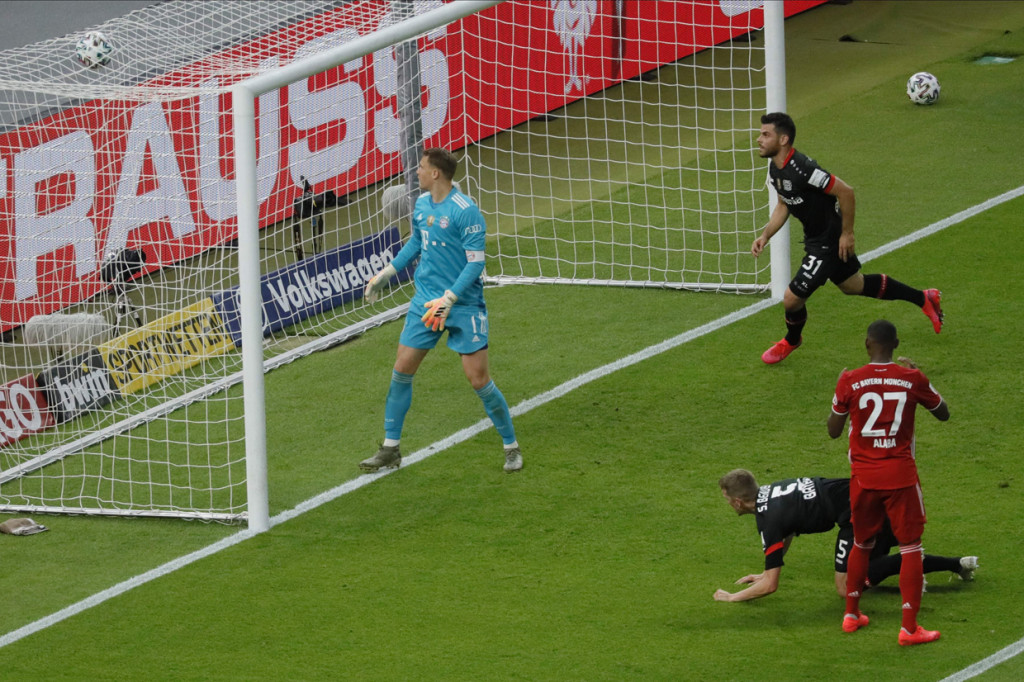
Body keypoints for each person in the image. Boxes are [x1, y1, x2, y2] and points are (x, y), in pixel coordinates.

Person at [359, 148, 522, 473]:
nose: (416, 172)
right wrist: (386, 274)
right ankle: (390, 449)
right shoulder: (420, 205)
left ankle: (511, 446)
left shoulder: (466, 211)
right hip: (425, 302)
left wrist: (450, 299)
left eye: (420, 168)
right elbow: (416, 243)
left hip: (462, 304)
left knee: (478, 380)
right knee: (402, 369)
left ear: (436, 173)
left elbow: (476, 264)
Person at [751, 112, 944, 364]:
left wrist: (847, 233)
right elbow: (784, 204)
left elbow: (845, 191)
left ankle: (792, 339)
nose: (759, 139)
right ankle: (924, 298)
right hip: (816, 237)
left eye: (766, 134)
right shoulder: (776, 168)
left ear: (784, 139)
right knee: (853, 285)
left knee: (791, 298)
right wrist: (765, 235)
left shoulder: (804, 169)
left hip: (829, 241)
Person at [828, 319, 950, 645]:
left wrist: (840, 396)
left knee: (862, 543)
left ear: (867, 344)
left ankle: (851, 615)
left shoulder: (849, 381)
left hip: (863, 478)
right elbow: (943, 413)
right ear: (895, 344)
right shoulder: (911, 379)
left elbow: (833, 430)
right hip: (900, 477)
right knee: (911, 547)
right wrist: (919, 377)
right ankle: (909, 629)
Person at [713, 470, 975, 603]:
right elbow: (788, 529)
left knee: (847, 587)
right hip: (870, 498)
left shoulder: (767, 521)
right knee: (870, 567)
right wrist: (765, 571)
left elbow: (771, 586)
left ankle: (911, 558)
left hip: (858, 515)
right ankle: (958, 564)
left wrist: (732, 598)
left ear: (738, 502)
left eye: (726, 500)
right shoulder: (773, 493)